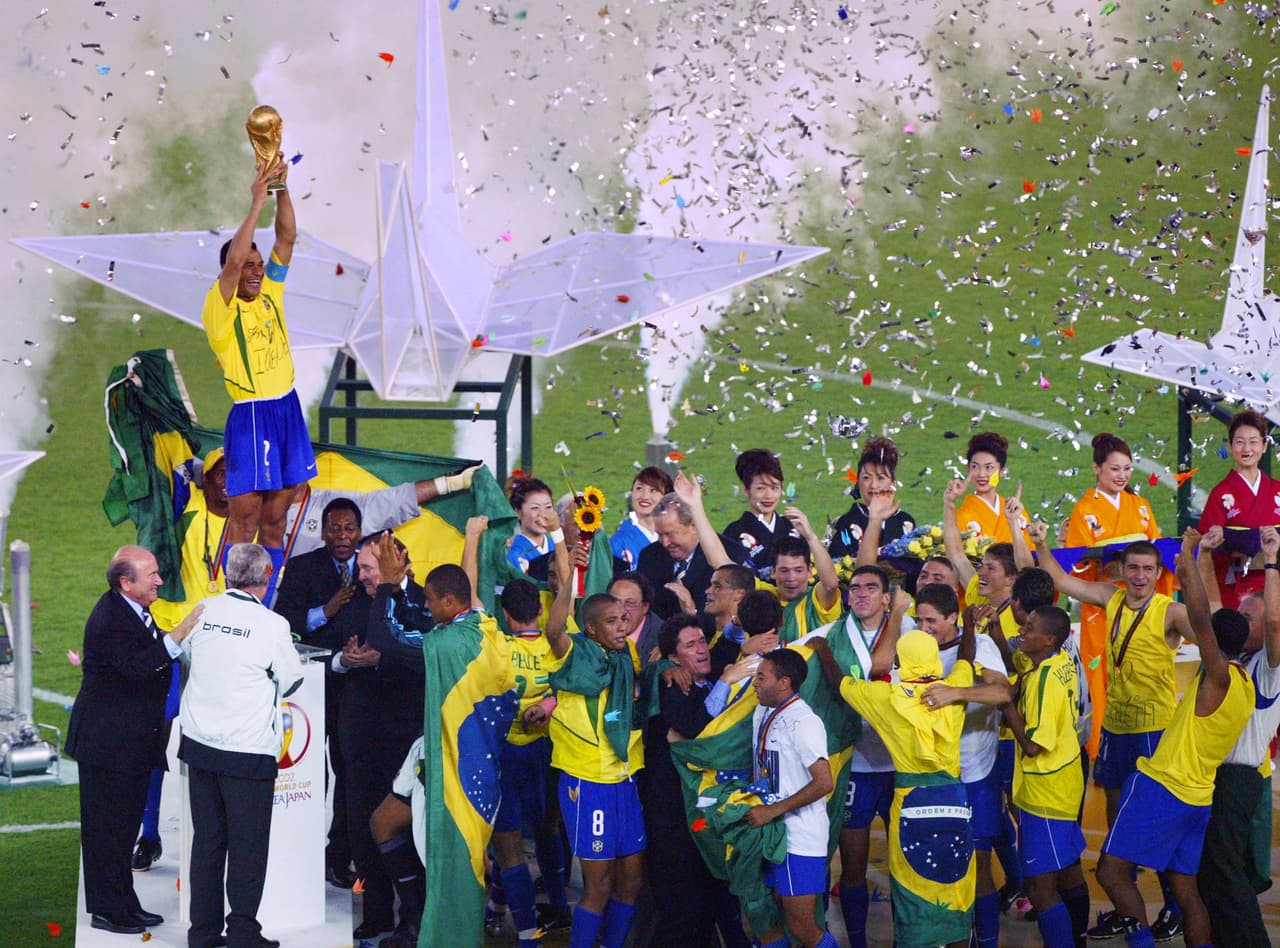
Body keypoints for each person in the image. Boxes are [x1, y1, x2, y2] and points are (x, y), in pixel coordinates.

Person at [1030, 523, 1194, 940]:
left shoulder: (1170, 611)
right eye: (1133, 568)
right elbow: (1061, 580)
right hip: (1116, 730)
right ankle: (1128, 906)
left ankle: (1174, 907)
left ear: (1158, 574)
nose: (1139, 576)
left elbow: (1211, 642)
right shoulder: (1112, 598)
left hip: (1153, 732)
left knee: (1151, 823)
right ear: (1121, 570)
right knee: (1118, 815)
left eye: (1147, 569)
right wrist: (1042, 542)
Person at [1095, 530, 1255, 948]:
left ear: (1215, 645)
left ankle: (1140, 943)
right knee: (1187, 892)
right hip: (1199, 798)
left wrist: (1188, 566)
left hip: (1163, 787)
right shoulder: (1246, 687)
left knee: (1111, 872)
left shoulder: (1217, 677)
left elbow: (1201, 618)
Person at [810, 621, 979, 948]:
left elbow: (839, 683)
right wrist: (968, 625)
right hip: (955, 802)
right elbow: (966, 660)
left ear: (901, 662)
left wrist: (822, 648)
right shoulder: (954, 690)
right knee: (956, 886)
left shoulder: (887, 698)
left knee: (913, 889)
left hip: (911, 803)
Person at [65, 546, 203, 936]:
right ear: (126, 582)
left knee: (122, 829)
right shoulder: (110, 619)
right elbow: (138, 667)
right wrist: (180, 634)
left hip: (128, 741)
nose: (160, 580)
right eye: (152, 575)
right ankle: (108, 911)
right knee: (106, 831)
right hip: (108, 744)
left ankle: (124, 903)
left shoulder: (131, 610)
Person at [178, 543, 304, 948]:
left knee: (208, 843)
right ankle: (244, 934)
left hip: (199, 745)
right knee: (247, 848)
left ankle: (203, 934)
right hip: (246, 753)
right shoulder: (271, 625)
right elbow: (291, 679)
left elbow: (186, 658)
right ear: (267, 576)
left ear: (229, 574)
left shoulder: (203, 611)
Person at [202, 157, 313, 600]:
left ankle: (266, 603)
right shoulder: (220, 307)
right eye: (246, 265)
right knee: (244, 521)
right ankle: (231, 604)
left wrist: (281, 186)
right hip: (251, 417)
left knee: (275, 522)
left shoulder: (269, 291)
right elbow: (232, 265)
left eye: (257, 263)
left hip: (287, 408)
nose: (254, 271)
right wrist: (255, 203)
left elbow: (287, 236)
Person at [903, 583, 1011, 948]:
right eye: (919, 619)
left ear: (953, 617)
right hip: (935, 778)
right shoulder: (916, 649)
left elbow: (1003, 692)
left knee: (978, 871)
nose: (923, 627)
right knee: (940, 869)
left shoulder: (980, 646)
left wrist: (957, 693)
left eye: (931, 620)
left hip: (975, 774)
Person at [640, 615, 755, 947]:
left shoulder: (703, 675)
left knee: (706, 904)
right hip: (673, 816)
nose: (702, 649)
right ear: (673, 657)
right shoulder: (672, 684)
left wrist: (737, 620)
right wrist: (726, 681)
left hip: (699, 814)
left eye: (702, 641)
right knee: (681, 909)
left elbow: (724, 648)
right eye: (691, 645)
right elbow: (692, 727)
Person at [542, 587, 646, 948]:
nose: (622, 627)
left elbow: (621, 710)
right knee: (598, 885)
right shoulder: (575, 655)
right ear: (590, 628)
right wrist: (568, 566)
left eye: (623, 619)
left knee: (631, 880)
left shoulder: (624, 655)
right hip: (588, 782)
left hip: (623, 778)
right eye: (611, 621)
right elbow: (554, 630)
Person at [272, 497, 365, 888]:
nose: (342, 536)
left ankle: (339, 855)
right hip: (312, 689)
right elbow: (284, 623)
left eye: (349, 529)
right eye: (335, 528)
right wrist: (324, 612)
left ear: (360, 532)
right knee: (309, 774)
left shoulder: (373, 567)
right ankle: (302, 851)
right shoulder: (301, 568)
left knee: (350, 774)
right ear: (323, 531)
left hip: (359, 691)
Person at [1195, 524, 1280, 944]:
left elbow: (1277, 619)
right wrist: (1206, 556)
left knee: (1228, 875)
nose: (1238, 618)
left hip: (1238, 780)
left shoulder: (1270, 665)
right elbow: (1214, 607)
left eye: (1248, 615)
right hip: (1215, 778)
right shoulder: (1234, 653)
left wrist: (1272, 562)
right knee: (1215, 874)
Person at [1064, 433, 1163, 761]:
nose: (1121, 476)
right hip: (1102, 607)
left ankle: (1145, 744)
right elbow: (1075, 565)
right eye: (1114, 469)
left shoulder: (1142, 507)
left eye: (1127, 469)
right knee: (1101, 673)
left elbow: (1158, 550)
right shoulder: (1084, 511)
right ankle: (1099, 750)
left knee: (1142, 668)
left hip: (1141, 606)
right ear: (1097, 468)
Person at [490, 573, 573, 948]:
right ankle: (558, 905)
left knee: (507, 847)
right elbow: (570, 691)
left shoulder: (497, 648)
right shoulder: (558, 644)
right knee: (548, 829)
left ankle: (526, 935)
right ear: (540, 611)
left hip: (506, 754)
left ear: (506, 615)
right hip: (547, 752)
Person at [998, 606, 1089, 948]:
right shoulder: (1058, 659)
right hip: (1066, 783)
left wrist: (1007, 705)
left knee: (1039, 887)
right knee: (1068, 872)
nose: (1023, 630)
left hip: (1045, 794)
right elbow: (1016, 659)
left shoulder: (1046, 681)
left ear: (1049, 638)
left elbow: (1035, 746)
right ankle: (1077, 940)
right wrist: (995, 627)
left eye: (1031, 628)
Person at [745, 648, 838, 948]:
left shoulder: (804, 722)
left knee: (802, 928)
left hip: (800, 837)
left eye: (761, 677)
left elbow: (824, 782)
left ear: (784, 683)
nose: (755, 683)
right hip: (774, 832)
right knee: (768, 919)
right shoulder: (766, 711)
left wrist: (773, 810)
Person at [836, 566, 909, 948]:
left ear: (887, 597)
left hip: (900, 766)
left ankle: (906, 940)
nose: (861, 593)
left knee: (905, 868)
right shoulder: (835, 635)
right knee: (852, 867)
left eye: (871, 587)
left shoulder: (912, 629)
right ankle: (858, 942)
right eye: (855, 587)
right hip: (857, 766)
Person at [1197, 408, 1280, 609]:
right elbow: (1204, 548)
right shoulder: (1221, 493)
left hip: (1275, 583)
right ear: (1231, 445)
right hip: (1237, 588)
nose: (1247, 449)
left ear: (1264, 445)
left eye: (1253, 441)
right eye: (1240, 441)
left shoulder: (1277, 490)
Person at [636, 472, 735, 616]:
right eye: (659, 534)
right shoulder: (649, 556)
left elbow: (733, 617)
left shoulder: (730, 553)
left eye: (670, 534)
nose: (664, 542)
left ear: (694, 525)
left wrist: (693, 612)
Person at [827, 436, 916, 562]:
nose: (874, 485)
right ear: (858, 482)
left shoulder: (906, 522)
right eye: (867, 478)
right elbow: (837, 567)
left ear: (893, 483)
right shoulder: (845, 522)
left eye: (881, 478)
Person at [722, 448, 798, 581]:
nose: (768, 496)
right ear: (746, 490)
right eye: (761, 488)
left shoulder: (793, 526)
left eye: (774, 488)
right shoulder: (733, 532)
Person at [768, 511, 842, 644]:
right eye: (784, 570)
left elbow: (831, 585)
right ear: (773, 572)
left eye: (798, 570)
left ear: (810, 572)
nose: (791, 578)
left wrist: (810, 537)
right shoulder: (765, 596)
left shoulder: (817, 600)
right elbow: (726, 567)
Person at [951, 432, 1033, 547]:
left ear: (1002, 471)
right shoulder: (962, 516)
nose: (981, 474)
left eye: (989, 467)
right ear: (968, 469)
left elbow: (1031, 557)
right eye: (975, 466)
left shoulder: (1019, 513)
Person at [611, 466, 675, 569]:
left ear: (667, 497)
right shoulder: (618, 542)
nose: (645, 497)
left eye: (653, 490)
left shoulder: (676, 539)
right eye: (639, 488)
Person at [507, 475, 557, 574]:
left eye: (548, 507)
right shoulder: (515, 555)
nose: (543, 514)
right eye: (535, 508)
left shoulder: (555, 545)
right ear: (518, 512)